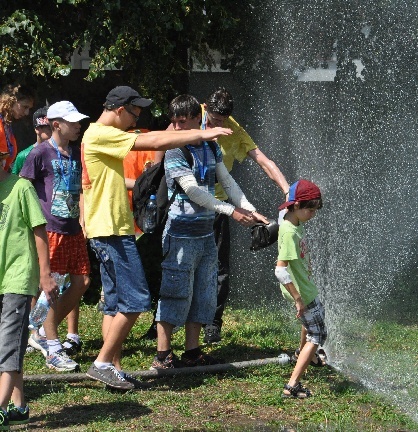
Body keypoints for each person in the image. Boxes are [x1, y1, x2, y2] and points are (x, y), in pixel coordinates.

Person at [81, 85, 234, 390]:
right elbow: (152, 140)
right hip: (111, 230)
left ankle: (113, 368)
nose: (136, 118)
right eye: (135, 112)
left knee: (114, 304)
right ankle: (101, 364)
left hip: (110, 227)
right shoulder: (100, 133)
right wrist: (200, 134)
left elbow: (107, 180)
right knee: (136, 298)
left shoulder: (97, 137)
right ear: (120, 109)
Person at [151, 95, 267, 369]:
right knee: (175, 291)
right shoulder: (174, 150)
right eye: (174, 122)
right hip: (180, 233)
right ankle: (163, 355)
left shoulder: (209, 147)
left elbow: (228, 182)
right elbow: (191, 190)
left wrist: (251, 210)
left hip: (204, 234)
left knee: (203, 292)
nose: (177, 128)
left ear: (195, 119)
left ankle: (192, 352)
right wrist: (231, 211)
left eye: (183, 122)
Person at [202, 88, 290, 344]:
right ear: (205, 107)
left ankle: (213, 323)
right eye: (214, 120)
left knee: (219, 268)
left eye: (223, 121)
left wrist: (287, 191)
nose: (218, 126)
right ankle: (162, 322)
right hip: (188, 203)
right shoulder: (191, 115)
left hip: (218, 203)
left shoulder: (234, 130)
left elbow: (263, 160)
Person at [20, 101, 91, 372]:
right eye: (73, 122)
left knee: (82, 281)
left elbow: (81, 189)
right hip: (50, 229)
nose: (78, 126)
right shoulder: (39, 153)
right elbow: (24, 190)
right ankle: (53, 348)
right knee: (51, 287)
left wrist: (82, 219)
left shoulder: (75, 153)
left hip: (73, 228)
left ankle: (37, 330)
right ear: (56, 124)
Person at [0, 151, 57, 428]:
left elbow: (39, 231)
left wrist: (45, 276)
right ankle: (19, 406)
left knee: (8, 346)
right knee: (12, 343)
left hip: (18, 278)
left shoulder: (21, 187)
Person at [274, 179, 326, 398]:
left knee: (310, 323)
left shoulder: (293, 220)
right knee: (318, 333)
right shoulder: (288, 231)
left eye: (315, 210)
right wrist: (297, 299)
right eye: (310, 210)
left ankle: (303, 354)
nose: (312, 215)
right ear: (296, 206)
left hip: (304, 287)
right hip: (302, 292)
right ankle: (292, 385)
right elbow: (280, 271)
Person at [0, 84, 36, 172]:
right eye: (25, 107)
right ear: (12, 100)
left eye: (29, 109)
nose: (27, 113)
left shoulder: (7, 126)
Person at [12, 106, 51, 175]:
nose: (54, 131)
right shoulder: (24, 156)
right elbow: (14, 181)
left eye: (56, 127)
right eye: (49, 128)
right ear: (37, 129)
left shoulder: (66, 152)